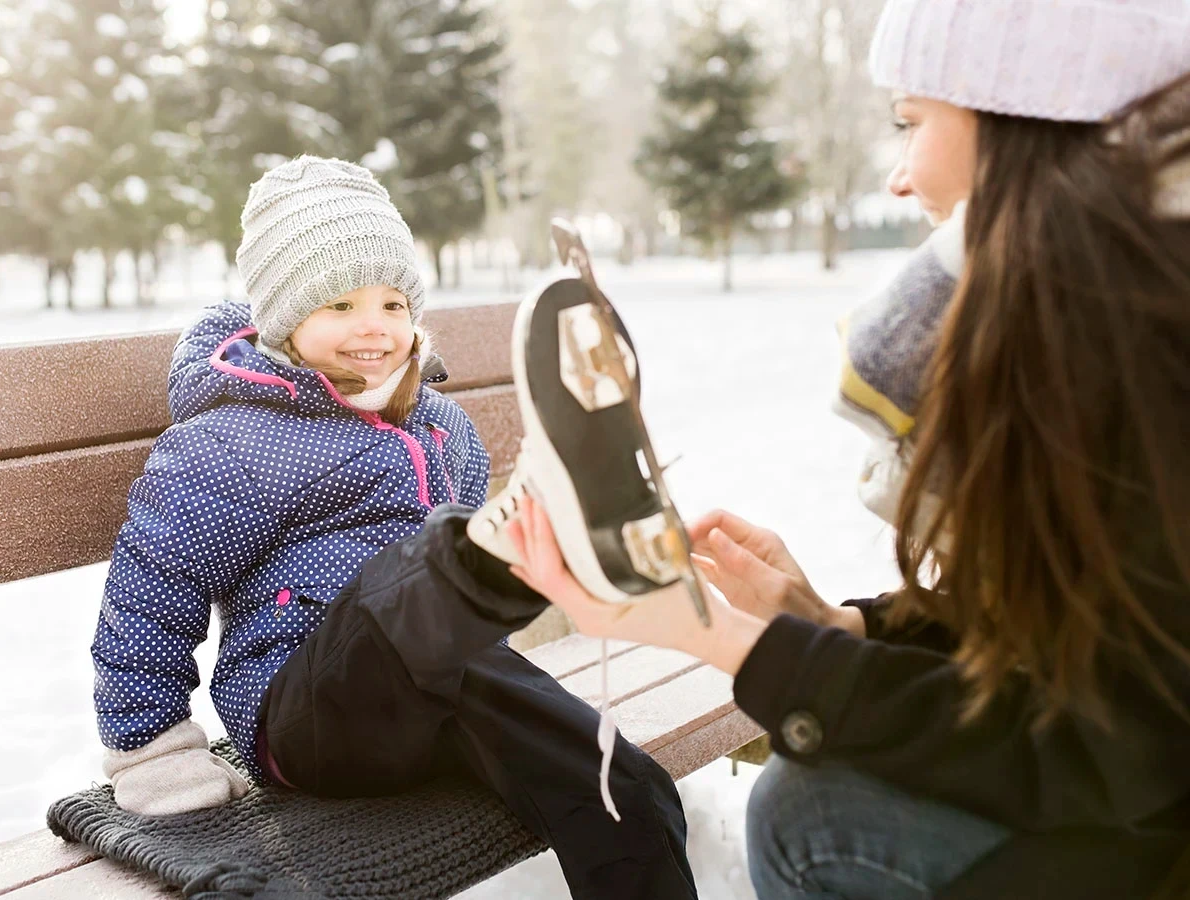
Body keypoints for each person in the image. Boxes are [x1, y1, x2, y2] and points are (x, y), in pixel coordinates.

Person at [498, 1, 1190, 896]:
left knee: (811, 815)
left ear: (1032, 121)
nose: (900, 178)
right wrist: (845, 630)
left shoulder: (1149, 364)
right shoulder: (1126, 310)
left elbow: (1112, 743)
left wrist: (744, 649)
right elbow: (1091, 643)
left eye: (913, 123)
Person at [91, 156, 698, 900]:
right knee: (421, 574)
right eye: (339, 307)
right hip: (306, 715)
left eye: (392, 304)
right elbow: (151, 590)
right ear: (286, 319)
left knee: (622, 789)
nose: (372, 328)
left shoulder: (442, 426)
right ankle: (531, 520)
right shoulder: (232, 442)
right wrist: (148, 752)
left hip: (445, 693)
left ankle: (550, 522)